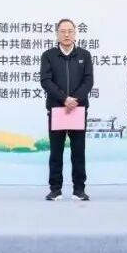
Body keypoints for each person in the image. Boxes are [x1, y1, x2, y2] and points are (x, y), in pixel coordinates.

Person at [40, 18, 94, 201]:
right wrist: (64, 98)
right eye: (63, 31)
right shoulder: (48, 55)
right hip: (57, 109)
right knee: (56, 152)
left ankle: (79, 189)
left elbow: (88, 81)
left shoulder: (84, 55)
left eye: (70, 31)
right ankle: (55, 189)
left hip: (78, 110)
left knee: (78, 152)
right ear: (57, 34)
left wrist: (75, 99)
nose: (66, 34)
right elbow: (46, 81)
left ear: (75, 33)